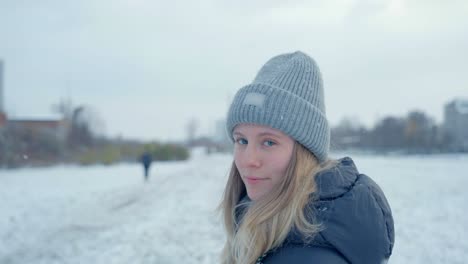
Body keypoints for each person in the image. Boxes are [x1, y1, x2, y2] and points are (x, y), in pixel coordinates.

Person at [220, 51, 394, 264]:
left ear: (305, 151)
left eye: (269, 142)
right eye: (242, 141)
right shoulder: (262, 225)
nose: (249, 160)